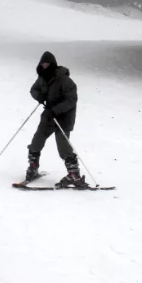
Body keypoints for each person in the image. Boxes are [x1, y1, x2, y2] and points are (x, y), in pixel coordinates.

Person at [26, 51, 86, 188]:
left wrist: (56, 109)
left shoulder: (65, 80)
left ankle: (74, 174)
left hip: (63, 118)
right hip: (48, 116)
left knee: (63, 147)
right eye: (43, 64)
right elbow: (33, 90)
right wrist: (39, 97)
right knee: (36, 142)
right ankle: (33, 167)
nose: (45, 66)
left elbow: (71, 100)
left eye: (47, 64)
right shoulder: (42, 78)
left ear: (53, 64)